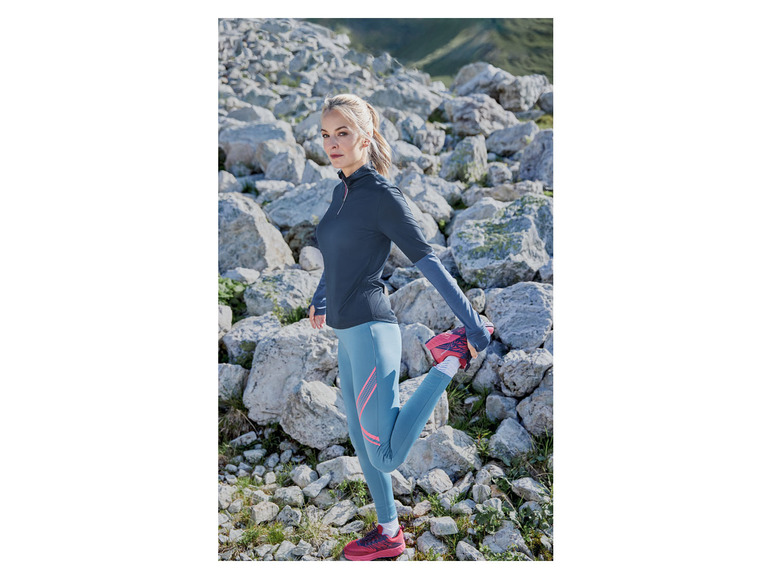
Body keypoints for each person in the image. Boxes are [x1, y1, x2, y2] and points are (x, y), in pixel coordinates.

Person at [307, 93, 493, 561]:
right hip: (346, 334)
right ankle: (389, 533)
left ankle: (449, 360)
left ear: (366, 137)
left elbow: (427, 261)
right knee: (362, 443)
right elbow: (335, 255)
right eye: (326, 135)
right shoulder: (341, 190)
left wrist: (471, 325)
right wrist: (320, 297)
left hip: (372, 331)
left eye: (342, 133)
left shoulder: (382, 196)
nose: (332, 143)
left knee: (385, 454)